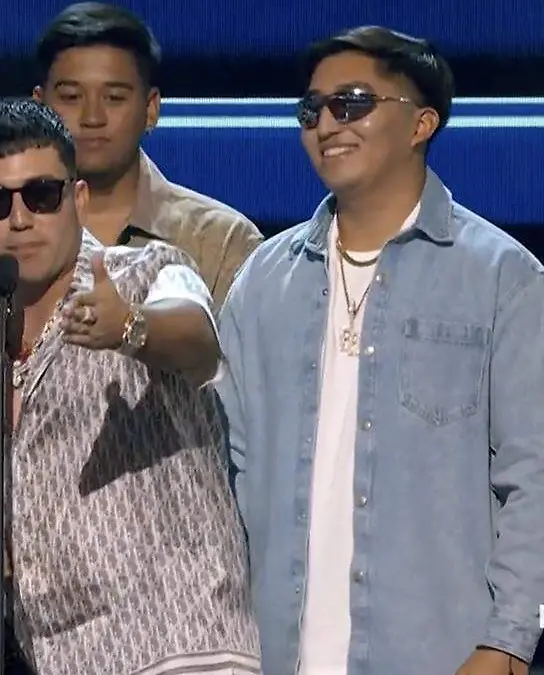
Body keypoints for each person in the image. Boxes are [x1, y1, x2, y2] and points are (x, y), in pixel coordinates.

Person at [216, 26, 544, 675]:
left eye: (352, 103)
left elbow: (534, 478)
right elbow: (224, 473)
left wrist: (508, 641)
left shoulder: (503, 278)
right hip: (274, 654)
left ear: (421, 123)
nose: (326, 124)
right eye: (312, 109)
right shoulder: (263, 281)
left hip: (442, 655)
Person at [0, 97, 260, 675]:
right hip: (60, 657)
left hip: (182, 651)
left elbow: (197, 339)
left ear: (77, 198)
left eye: (41, 195)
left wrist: (131, 328)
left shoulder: (147, 274)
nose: (20, 219)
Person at [0, 2, 262, 442]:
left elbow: (244, 387)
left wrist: (132, 327)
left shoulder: (219, 242)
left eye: (114, 97)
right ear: (40, 105)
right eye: (71, 97)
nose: (93, 117)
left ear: (151, 108)